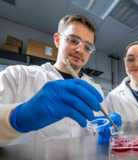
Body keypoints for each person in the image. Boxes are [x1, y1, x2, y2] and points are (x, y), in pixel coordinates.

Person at [0, 14, 119, 145]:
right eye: (73, 40)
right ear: (57, 40)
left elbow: (94, 132)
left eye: (87, 47)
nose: (80, 50)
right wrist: (17, 118)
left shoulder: (95, 89)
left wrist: (105, 128)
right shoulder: (18, 76)